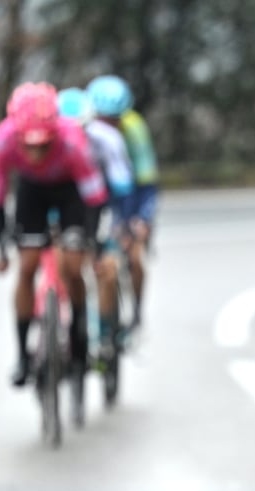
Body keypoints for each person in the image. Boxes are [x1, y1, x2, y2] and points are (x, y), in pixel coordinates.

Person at [0, 81, 108, 386]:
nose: (36, 151)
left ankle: (79, 337)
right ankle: (23, 355)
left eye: (43, 143)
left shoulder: (73, 141)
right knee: (26, 267)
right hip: (31, 193)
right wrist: (1, 250)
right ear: (16, 134)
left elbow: (94, 197)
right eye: (28, 145)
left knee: (72, 264)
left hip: (71, 193)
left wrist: (94, 245)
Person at [57, 87, 135, 357]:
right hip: (70, 210)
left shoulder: (107, 140)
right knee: (64, 263)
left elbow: (122, 187)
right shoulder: (52, 144)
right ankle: (70, 323)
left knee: (107, 269)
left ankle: (105, 334)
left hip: (105, 207)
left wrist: (122, 227)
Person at [86, 74, 159, 331]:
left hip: (130, 196)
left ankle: (137, 311)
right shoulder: (82, 128)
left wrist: (142, 219)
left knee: (135, 256)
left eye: (115, 119)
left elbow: (146, 180)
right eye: (104, 118)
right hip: (96, 195)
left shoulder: (134, 129)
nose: (110, 125)